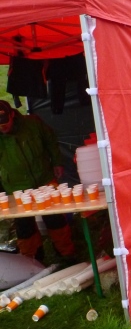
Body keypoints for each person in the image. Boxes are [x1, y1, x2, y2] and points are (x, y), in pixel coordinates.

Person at [0, 100, 76, 263]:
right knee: (24, 224)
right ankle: (32, 260)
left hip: (44, 177)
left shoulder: (33, 123)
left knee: (55, 216)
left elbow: (51, 141)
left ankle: (66, 254)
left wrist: (57, 162)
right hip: (16, 186)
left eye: (4, 122)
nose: (2, 126)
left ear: (12, 114)